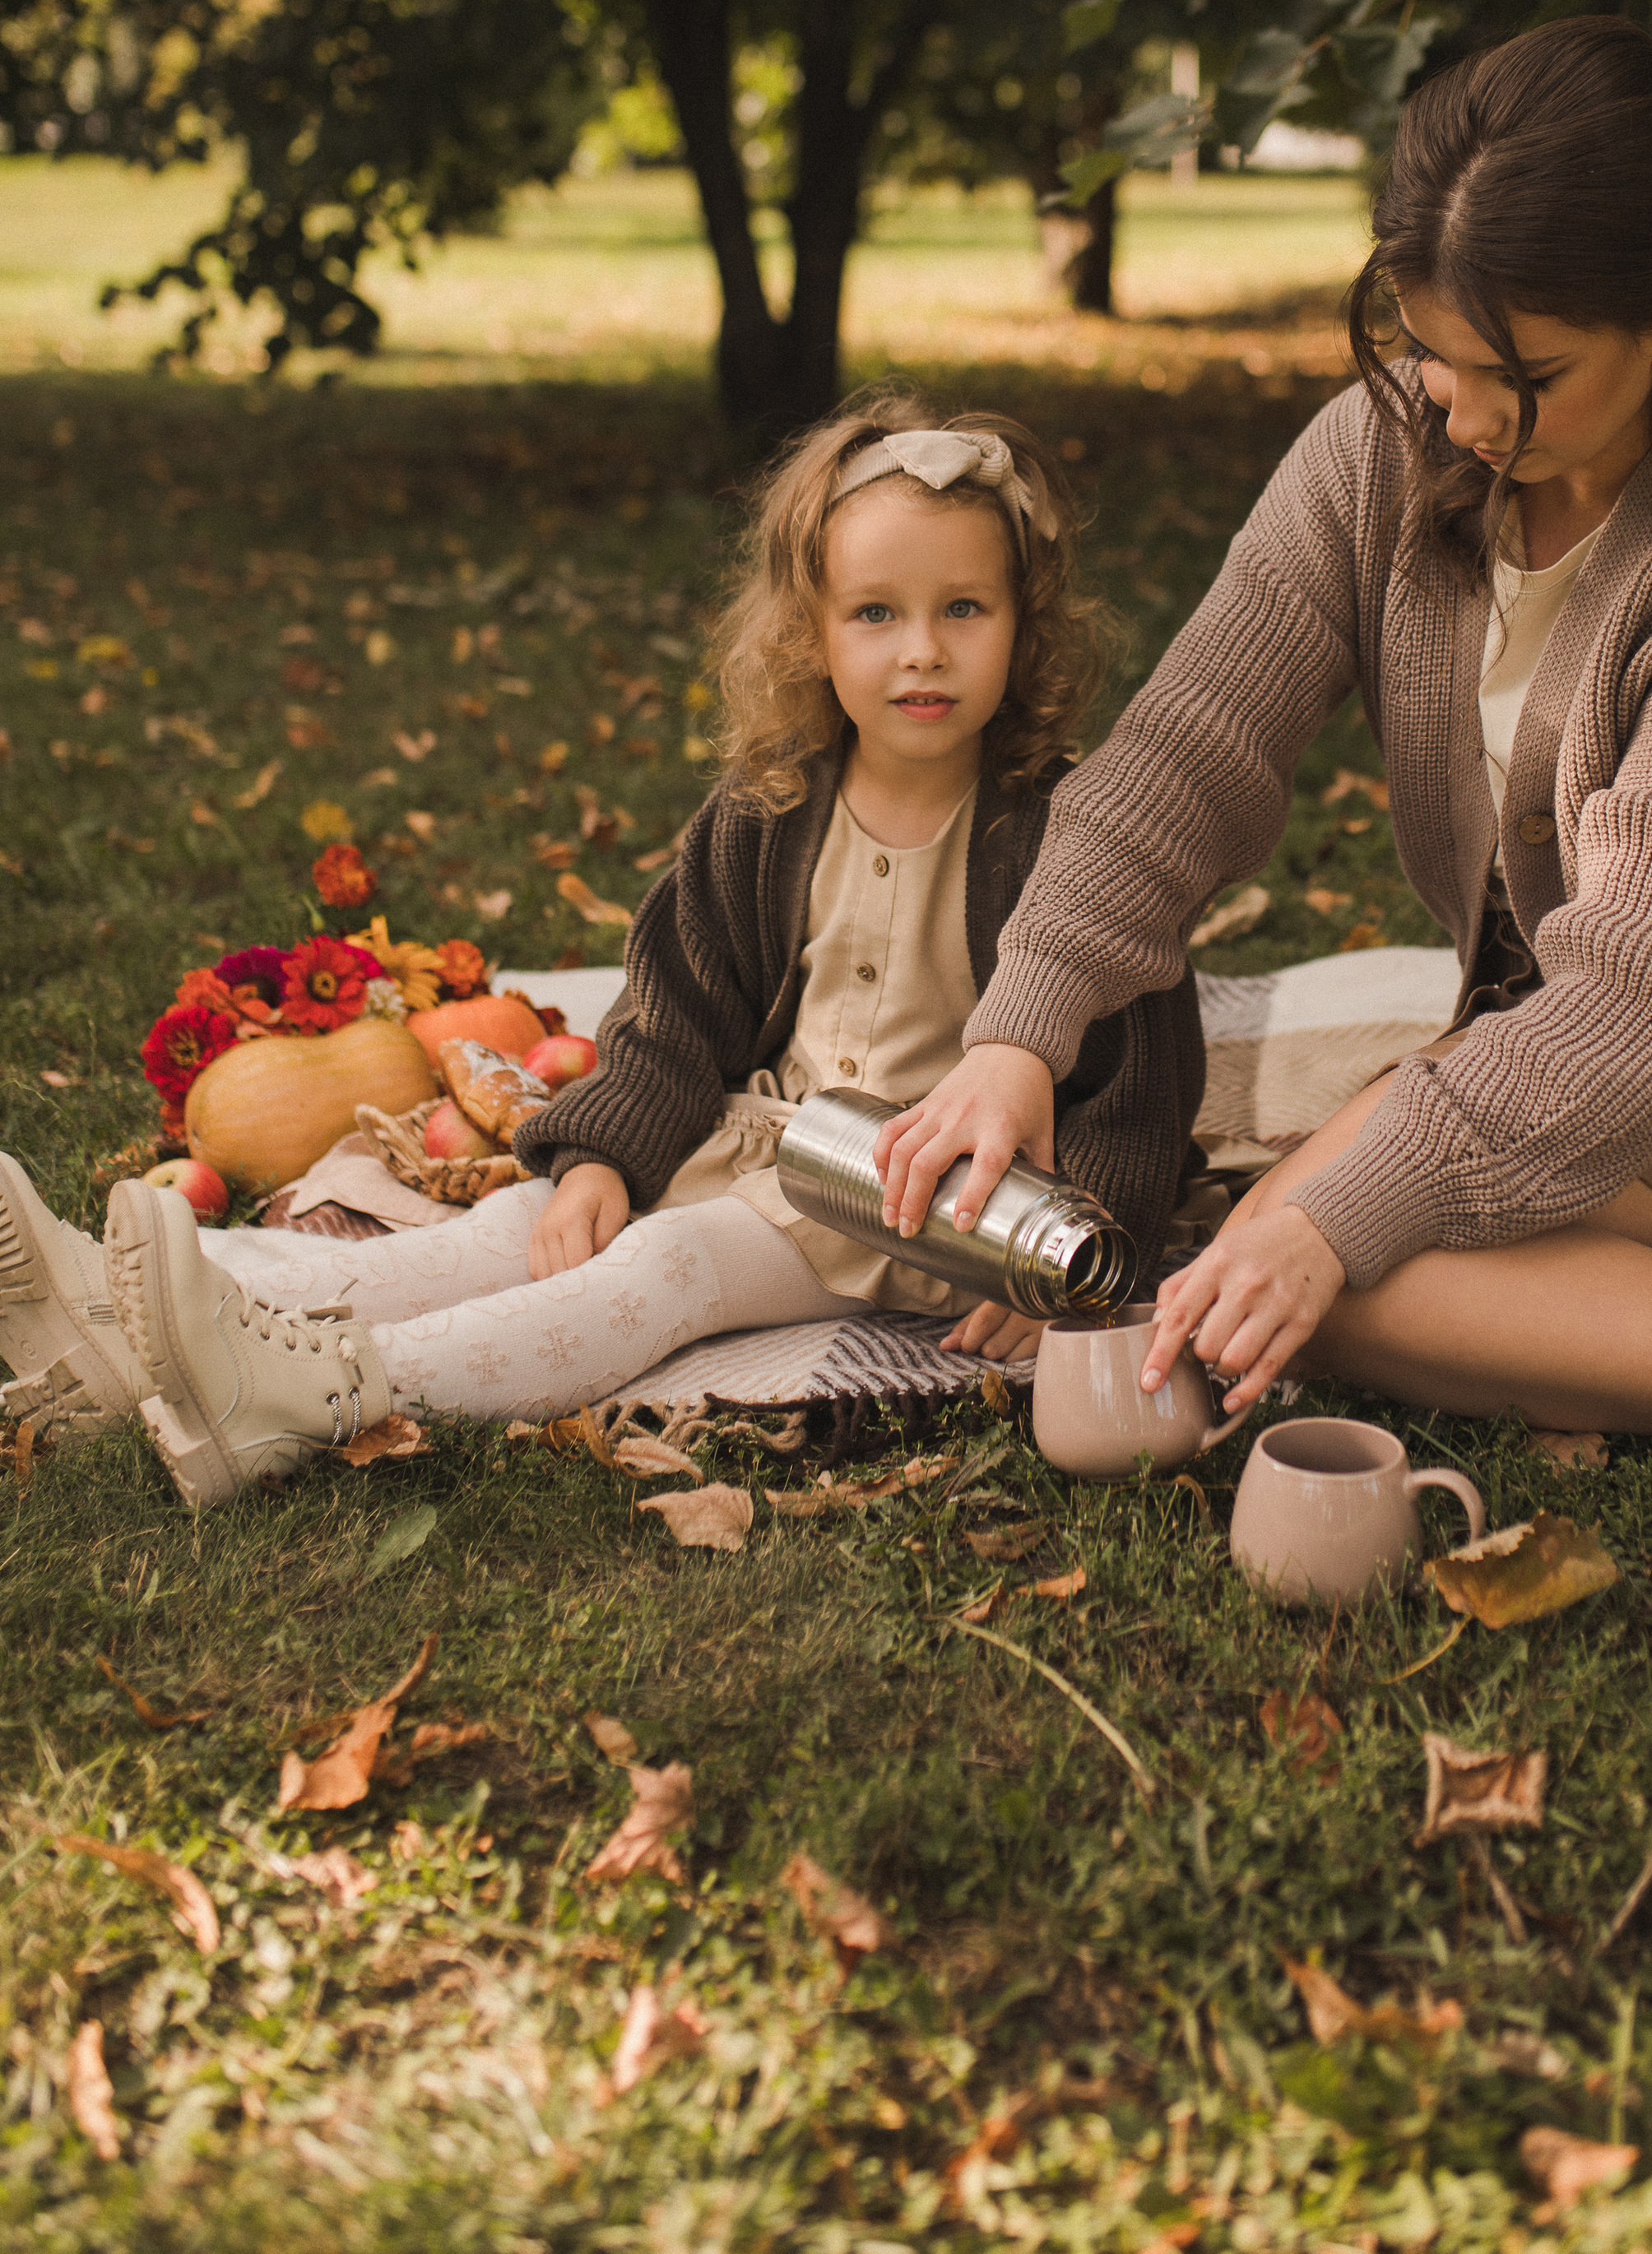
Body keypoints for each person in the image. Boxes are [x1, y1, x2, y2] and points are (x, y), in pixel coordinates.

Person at [877, 18, 1652, 1629]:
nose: (1456, 411)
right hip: (1570, 1040)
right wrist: (1018, 1030)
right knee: (1281, 1248)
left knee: (1345, 1272)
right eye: (1430, 345)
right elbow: (1191, 747)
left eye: (1519, 375)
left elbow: (1640, 1005)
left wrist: (1337, 1209)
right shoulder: (1383, 450)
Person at [0, 399, 1202, 1506]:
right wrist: (602, 1163)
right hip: (770, 1140)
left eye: (964, 610)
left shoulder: (1073, 837)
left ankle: (316, 1394)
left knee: (662, 1271)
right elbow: (674, 1013)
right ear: (813, 631)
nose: (922, 651)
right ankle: (114, 1312)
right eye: (877, 613)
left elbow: (1141, 1081)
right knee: (505, 1234)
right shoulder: (771, 811)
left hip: (925, 1212)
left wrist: (1065, 1262)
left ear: (1024, 626)